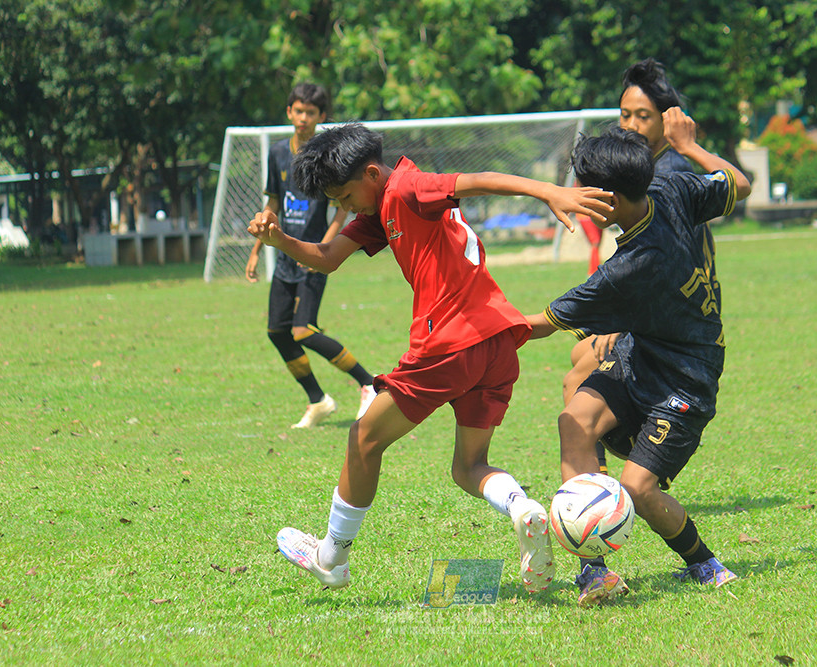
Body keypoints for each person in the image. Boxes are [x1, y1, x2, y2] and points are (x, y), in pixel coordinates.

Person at [247, 122, 614, 593]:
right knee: (468, 467)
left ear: (373, 173)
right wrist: (279, 241)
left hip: (448, 344)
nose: (342, 208)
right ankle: (523, 507)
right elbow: (326, 256)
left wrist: (548, 192)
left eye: (342, 197)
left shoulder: (408, 187)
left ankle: (331, 558)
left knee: (364, 438)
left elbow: (476, 180)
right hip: (496, 343)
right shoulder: (381, 204)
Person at [526, 109, 751, 606]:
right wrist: (690, 148)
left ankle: (705, 564)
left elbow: (539, 324)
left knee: (640, 489)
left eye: (581, 189)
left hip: (686, 379)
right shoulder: (670, 190)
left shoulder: (629, 267)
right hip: (642, 352)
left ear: (605, 199)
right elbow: (740, 183)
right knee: (575, 418)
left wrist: (480, 331)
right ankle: (594, 570)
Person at [566, 57, 695, 474]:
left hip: (668, 325)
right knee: (578, 355)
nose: (631, 125)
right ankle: (610, 477)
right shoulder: (640, 168)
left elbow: (662, 263)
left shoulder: (666, 176)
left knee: (577, 384)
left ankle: (604, 490)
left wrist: (620, 323)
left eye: (643, 116)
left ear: (666, 121)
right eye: (624, 114)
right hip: (651, 310)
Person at [246, 83, 376, 429]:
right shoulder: (277, 154)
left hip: (314, 256)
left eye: (311, 113)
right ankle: (318, 400)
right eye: (298, 111)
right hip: (285, 256)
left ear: (321, 117)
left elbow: (339, 211)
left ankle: (369, 383)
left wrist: (325, 249)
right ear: (289, 112)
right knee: (277, 331)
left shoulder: (328, 157)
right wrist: (257, 249)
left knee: (302, 330)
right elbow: (273, 203)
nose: (303, 118)